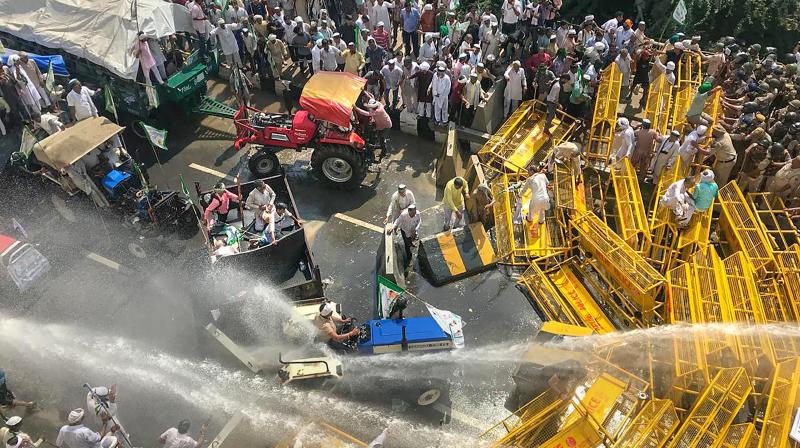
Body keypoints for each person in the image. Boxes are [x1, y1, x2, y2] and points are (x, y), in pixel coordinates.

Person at [516, 163, 550, 237]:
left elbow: (524, 190)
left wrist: (519, 195)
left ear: (532, 171)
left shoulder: (529, 179)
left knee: (531, 210)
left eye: (528, 172)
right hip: (545, 198)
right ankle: (541, 221)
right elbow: (547, 184)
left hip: (536, 199)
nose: (528, 173)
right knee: (542, 210)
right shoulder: (543, 176)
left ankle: (529, 219)